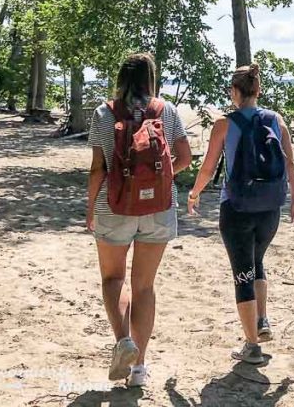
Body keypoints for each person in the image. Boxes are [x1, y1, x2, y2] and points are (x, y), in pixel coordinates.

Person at [86, 52, 192, 388]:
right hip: (158, 208)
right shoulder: (167, 110)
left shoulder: (104, 113)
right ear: (151, 78)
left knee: (112, 279)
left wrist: (90, 207)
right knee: (144, 286)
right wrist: (157, 180)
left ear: (120, 78)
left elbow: (98, 168)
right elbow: (185, 156)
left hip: (114, 206)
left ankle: (123, 341)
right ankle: (139, 370)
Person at [188, 63, 294, 364]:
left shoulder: (225, 124)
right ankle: (262, 320)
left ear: (235, 92)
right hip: (270, 209)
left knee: (242, 272)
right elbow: (290, 164)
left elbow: (209, 166)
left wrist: (195, 192)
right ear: (259, 90)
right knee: (257, 261)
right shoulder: (277, 120)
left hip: (237, 208)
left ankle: (252, 346)